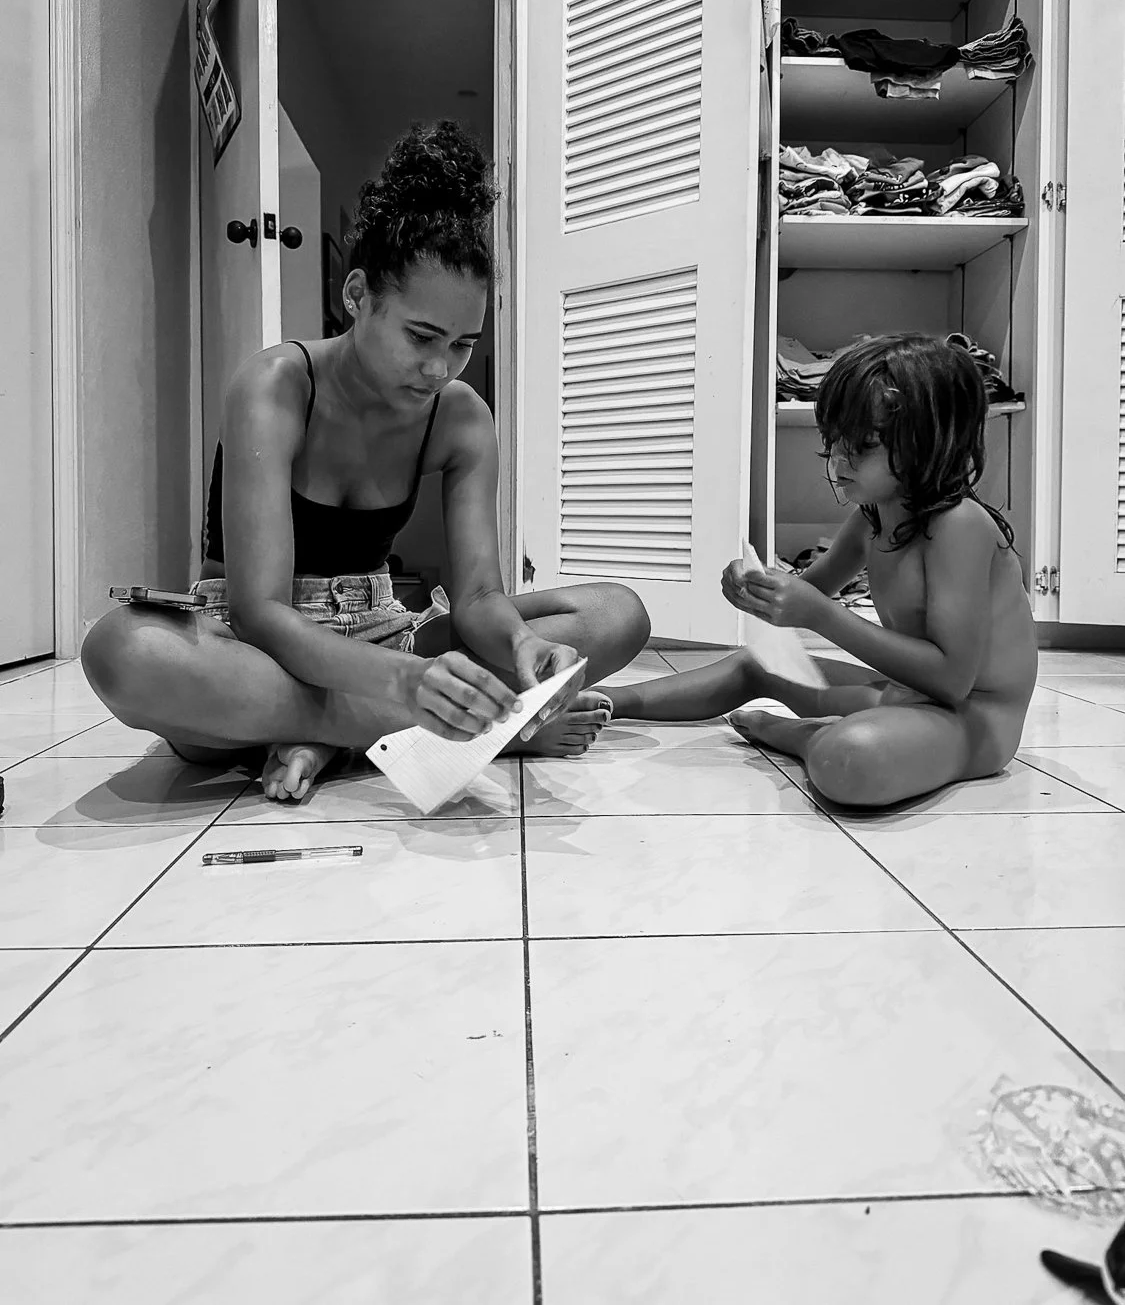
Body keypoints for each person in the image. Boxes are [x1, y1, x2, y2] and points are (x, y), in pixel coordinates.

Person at [82, 121, 649, 799]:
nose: (439, 367)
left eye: (463, 344)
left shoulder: (460, 416)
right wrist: (410, 688)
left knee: (617, 612)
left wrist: (520, 650)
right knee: (122, 649)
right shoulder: (274, 386)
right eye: (420, 336)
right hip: (253, 650)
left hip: (382, 639)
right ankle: (441, 725)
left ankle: (335, 733)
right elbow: (261, 610)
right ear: (357, 295)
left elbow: (477, 598)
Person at [600, 332, 1038, 808]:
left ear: (928, 442)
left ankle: (801, 736)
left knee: (849, 758)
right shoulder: (873, 515)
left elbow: (952, 679)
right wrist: (759, 590)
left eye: (863, 445)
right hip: (905, 696)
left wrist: (820, 616)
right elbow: (804, 596)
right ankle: (610, 702)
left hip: (975, 719)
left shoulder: (960, 525)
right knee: (759, 661)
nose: (838, 460)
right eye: (834, 440)